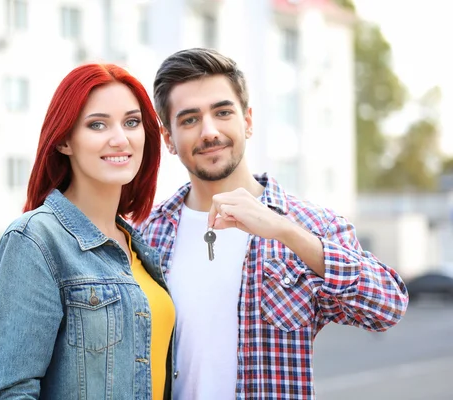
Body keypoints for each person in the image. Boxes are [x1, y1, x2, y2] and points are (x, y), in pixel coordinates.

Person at [135, 48, 409, 400]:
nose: (209, 131)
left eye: (223, 112)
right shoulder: (145, 234)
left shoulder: (312, 225)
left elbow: (388, 308)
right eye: (189, 119)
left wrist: (285, 230)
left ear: (247, 121)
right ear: (169, 138)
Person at [0, 63, 175, 400]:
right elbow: (10, 392)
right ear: (64, 141)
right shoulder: (35, 241)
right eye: (97, 124)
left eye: (131, 122)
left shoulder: (138, 245)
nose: (120, 138)